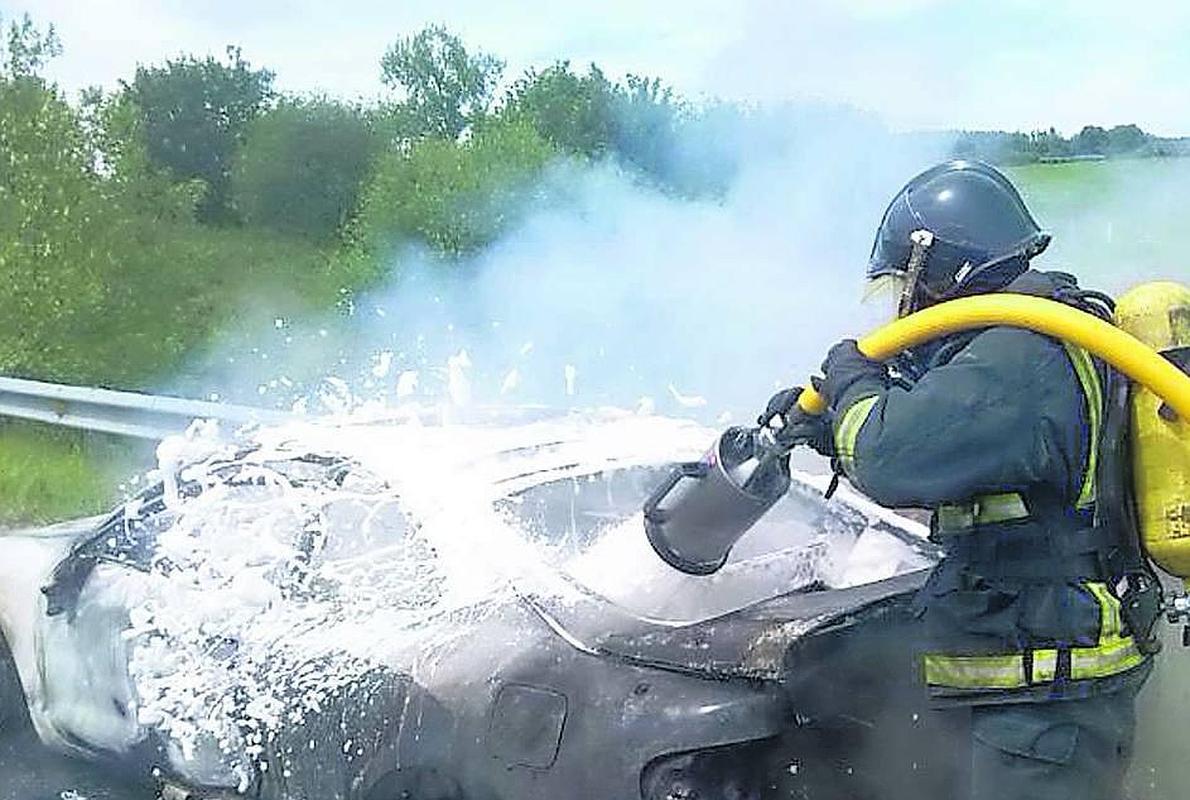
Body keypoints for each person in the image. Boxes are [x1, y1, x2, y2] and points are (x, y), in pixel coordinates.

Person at [763, 160, 1155, 800]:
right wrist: (830, 426)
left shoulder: (1019, 355)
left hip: (1045, 706)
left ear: (941, 270)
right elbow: (948, 440)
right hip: (1049, 693)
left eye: (905, 283)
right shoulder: (1030, 345)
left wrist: (852, 381)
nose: (903, 304)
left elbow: (892, 458)